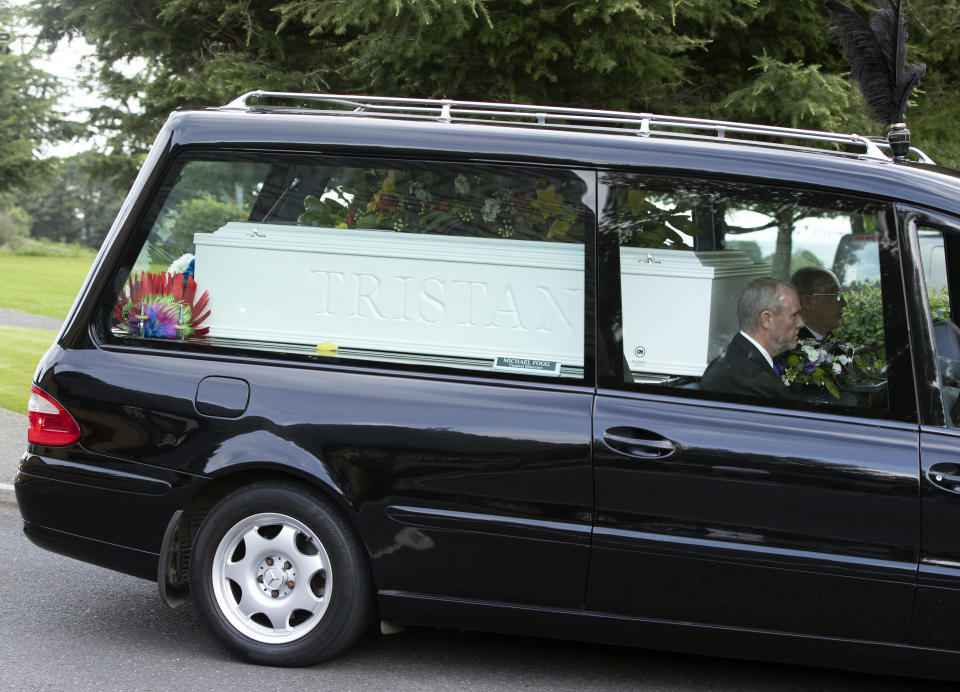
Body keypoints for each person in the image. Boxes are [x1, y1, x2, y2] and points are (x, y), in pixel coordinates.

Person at [700, 277, 804, 398]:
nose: (801, 323)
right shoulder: (741, 378)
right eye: (794, 315)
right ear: (767, 320)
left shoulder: (744, 361)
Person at [790, 266, 846, 341]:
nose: (844, 303)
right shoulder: (790, 346)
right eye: (836, 295)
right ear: (808, 302)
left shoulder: (830, 342)